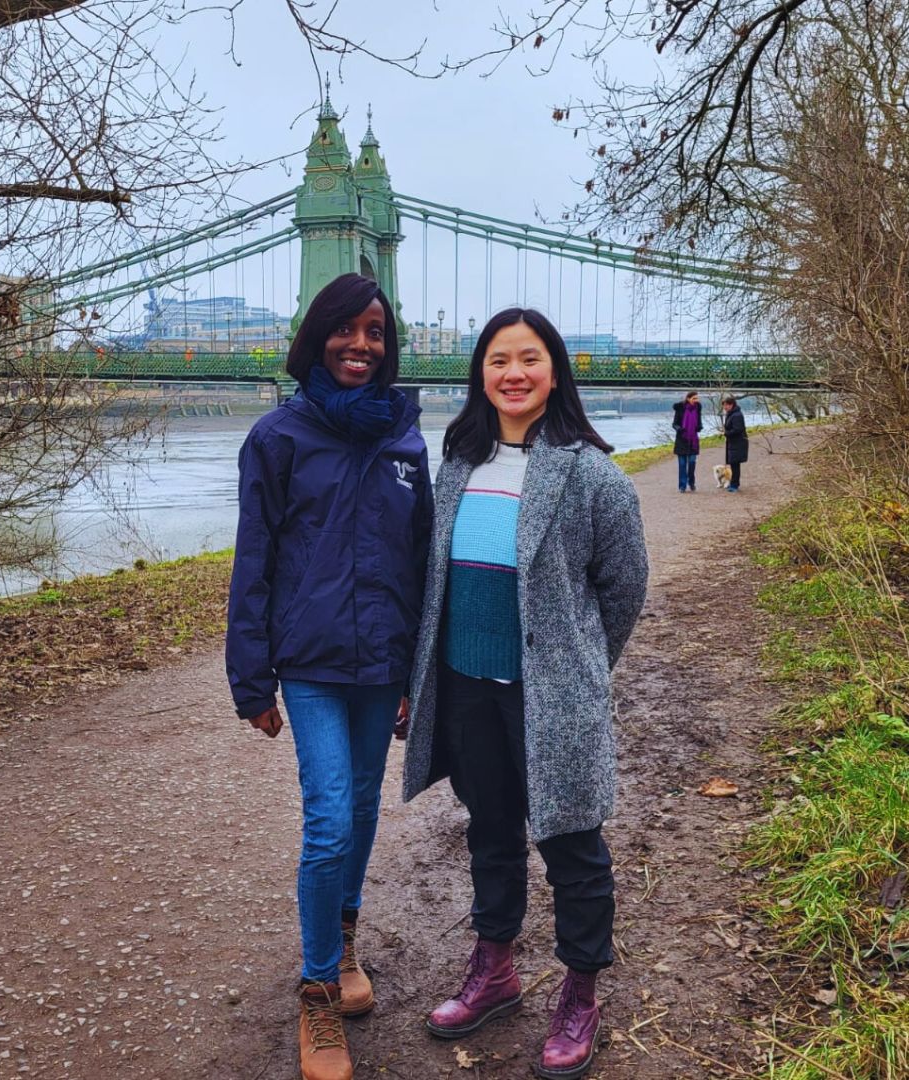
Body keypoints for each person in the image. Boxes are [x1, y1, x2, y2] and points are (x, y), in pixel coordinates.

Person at [400, 308, 648, 1080]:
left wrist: (573, 668)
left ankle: (580, 991)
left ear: (554, 370)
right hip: (468, 685)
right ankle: (495, 969)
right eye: (498, 359)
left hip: (549, 696)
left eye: (529, 358)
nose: (513, 373)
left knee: (572, 842)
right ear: (481, 373)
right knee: (491, 831)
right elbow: (437, 579)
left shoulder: (590, 473)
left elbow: (624, 588)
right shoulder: (458, 461)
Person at [225, 273, 432, 1080]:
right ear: (317, 339)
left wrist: (421, 669)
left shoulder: (407, 443)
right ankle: (317, 992)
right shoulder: (277, 439)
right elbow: (254, 566)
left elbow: (418, 566)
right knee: (330, 821)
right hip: (309, 663)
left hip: (382, 664)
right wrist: (252, 681)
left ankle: (343, 944)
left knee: (364, 813)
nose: (362, 345)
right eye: (346, 330)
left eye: (376, 332)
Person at [672, 391, 703, 492]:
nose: (696, 400)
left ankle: (691, 482)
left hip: (693, 440)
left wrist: (699, 427)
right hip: (682, 439)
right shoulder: (680, 409)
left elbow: (699, 422)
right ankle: (682, 485)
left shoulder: (697, 408)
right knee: (682, 464)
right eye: (694, 398)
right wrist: (680, 429)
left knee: (692, 463)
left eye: (697, 398)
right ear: (688, 398)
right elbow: (674, 424)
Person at [722, 394, 748, 492]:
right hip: (733, 443)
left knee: (735, 464)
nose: (724, 408)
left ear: (731, 404)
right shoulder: (731, 414)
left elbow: (738, 429)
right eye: (723, 406)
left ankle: (735, 485)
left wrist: (726, 433)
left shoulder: (737, 415)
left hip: (738, 443)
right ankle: (733, 482)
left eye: (725, 405)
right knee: (733, 464)